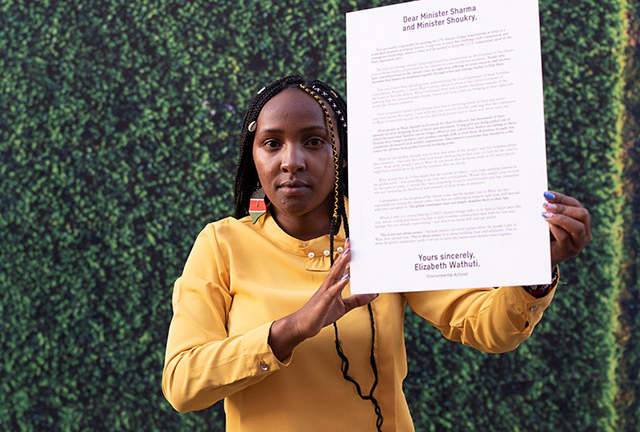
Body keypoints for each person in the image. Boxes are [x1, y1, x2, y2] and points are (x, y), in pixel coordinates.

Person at [162, 75, 591, 432]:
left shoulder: (386, 228)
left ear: (342, 154)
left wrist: (538, 267)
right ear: (251, 156)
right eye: (272, 143)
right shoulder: (222, 244)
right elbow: (182, 384)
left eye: (314, 141)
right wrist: (293, 328)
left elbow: (486, 327)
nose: (291, 160)